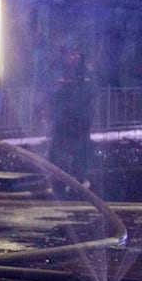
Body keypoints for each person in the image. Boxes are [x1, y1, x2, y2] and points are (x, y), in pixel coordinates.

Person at [47, 44, 94, 189]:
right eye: (71, 54)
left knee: (80, 150)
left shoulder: (85, 71)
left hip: (81, 120)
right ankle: (57, 179)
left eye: (77, 54)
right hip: (62, 119)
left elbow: (91, 90)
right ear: (64, 55)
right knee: (59, 149)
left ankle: (79, 178)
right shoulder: (56, 70)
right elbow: (51, 91)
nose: (75, 57)